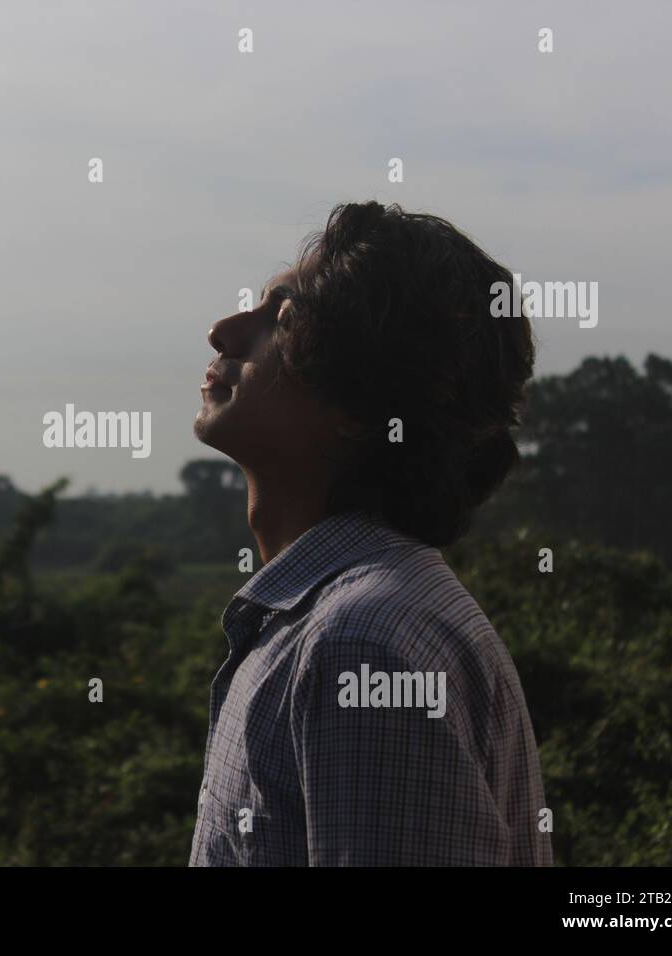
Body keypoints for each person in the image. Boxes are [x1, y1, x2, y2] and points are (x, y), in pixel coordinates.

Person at [189, 201, 552, 866]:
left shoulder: (360, 642)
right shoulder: (337, 622)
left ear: (360, 407)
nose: (223, 331)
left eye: (283, 319)